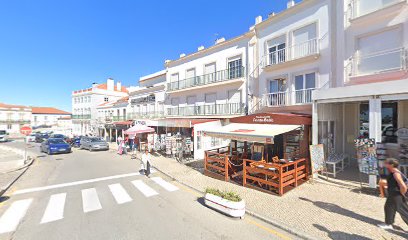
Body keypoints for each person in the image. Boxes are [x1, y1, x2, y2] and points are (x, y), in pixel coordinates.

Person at [378, 158, 408, 230]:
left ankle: (388, 224)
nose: (385, 164)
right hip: (393, 194)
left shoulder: (396, 174)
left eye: (386, 163)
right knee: (389, 208)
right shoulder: (393, 172)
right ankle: (388, 224)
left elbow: (403, 186)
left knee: (403, 211)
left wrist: (401, 193)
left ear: (391, 165)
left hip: (396, 195)